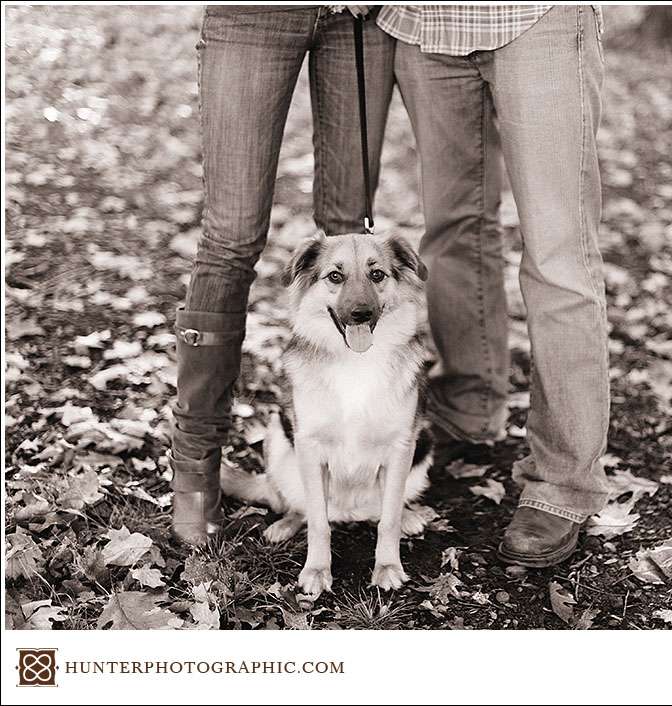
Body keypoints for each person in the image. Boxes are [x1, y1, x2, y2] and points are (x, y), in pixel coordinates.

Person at [377, 5, 611, 567]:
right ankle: (469, 407)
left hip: (538, 18)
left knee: (559, 255)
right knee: (452, 232)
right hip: (422, 24)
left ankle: (563, 484)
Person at [170, 4, 394, 545]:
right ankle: (195, 466)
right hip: (254, 14)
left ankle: (347, 456)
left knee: (351, 234)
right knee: (231, 238)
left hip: (358, 21)